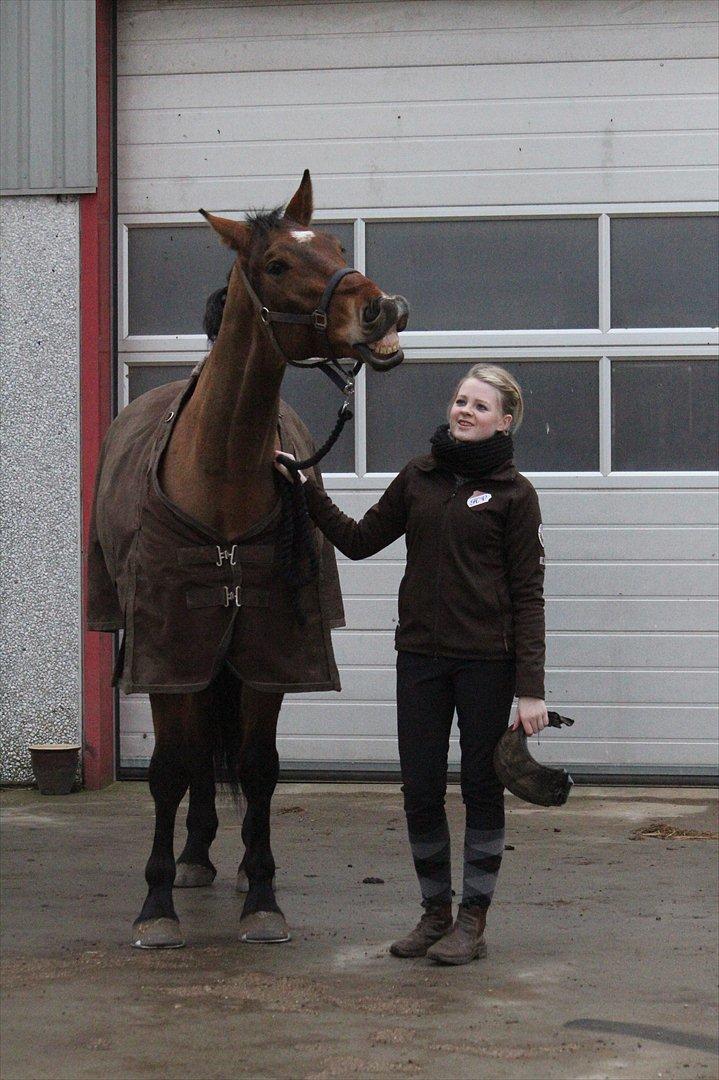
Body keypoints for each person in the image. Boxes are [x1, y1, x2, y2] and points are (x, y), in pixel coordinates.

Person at [275, 364, 548, 965]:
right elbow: (359, 538)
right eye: (460, 400)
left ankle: (472, 921)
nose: (465, 411)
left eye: (480, 405)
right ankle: (434, 914)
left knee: (482, 788)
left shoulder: (514, 495)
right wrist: (306, 490)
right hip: (420, 659)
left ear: (505, 420)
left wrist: (531, 691)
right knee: (420, 789)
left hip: (487, 664)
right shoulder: (419, 478)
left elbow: (528, 592)